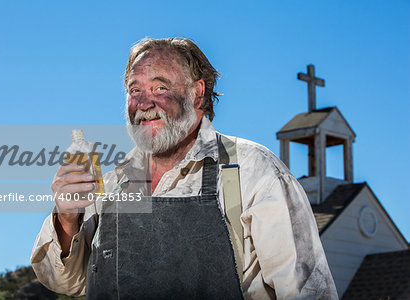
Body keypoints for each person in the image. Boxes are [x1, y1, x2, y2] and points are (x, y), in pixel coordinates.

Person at [31, 38, 338, 299]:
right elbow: (66, 281)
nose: (144, 103)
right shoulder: (113, 184)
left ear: (197, 93)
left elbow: (307, 291)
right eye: (134, 90)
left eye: (159, 87)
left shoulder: (252, 171)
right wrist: (67, 219)